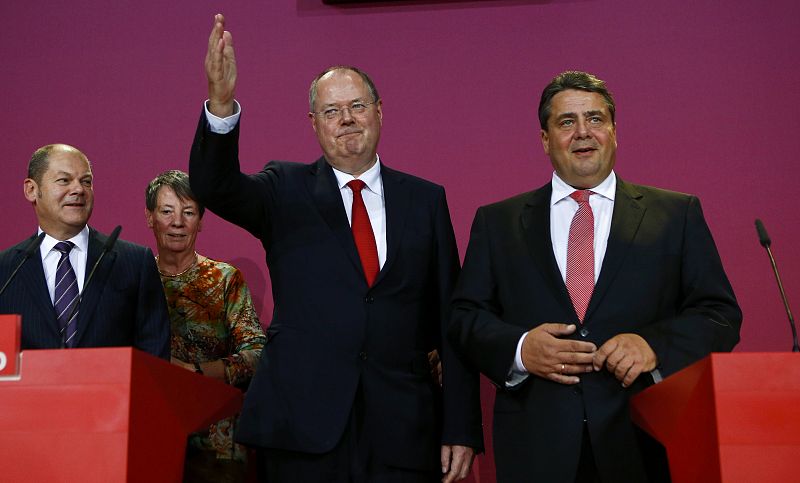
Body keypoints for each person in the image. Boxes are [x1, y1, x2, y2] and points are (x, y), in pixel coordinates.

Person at [188, 13, 482, 483]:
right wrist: (221, 106)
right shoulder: (283, 188)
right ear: (314, 124)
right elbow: (214, 185)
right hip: (303, 428)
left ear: (379, 111)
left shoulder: (425, 199)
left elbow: (452, 319)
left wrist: (461, 427)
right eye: (331, 111)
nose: (346, 119)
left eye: (357, 106)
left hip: (402, 431)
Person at [448, 71, 742, 483]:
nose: (583, 132)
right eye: (567, 122)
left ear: (615, 132)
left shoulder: (676, 215)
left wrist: (652, 345)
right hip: (537, 448)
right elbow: (464, 316)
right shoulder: (498, 222)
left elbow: (720, 315)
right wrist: (520, 348)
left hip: (645, 444)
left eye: (596, 119)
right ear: (545, 139)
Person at [145, 169, 267, 482]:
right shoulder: (136, 278)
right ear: (150, 217)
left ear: (201, 221)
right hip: (151, 434)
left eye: (188, 213)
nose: (177, 222)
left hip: (217, 444)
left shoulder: (225, 279)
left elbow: (256, 354)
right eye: (167, 211)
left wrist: (193, 374)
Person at [0, 144, 169, 358]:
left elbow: (154, 353)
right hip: (28, 391)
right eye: (64, 180)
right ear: (31, 190)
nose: (78, 190)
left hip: (112, 391)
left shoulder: (134, 262)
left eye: (86, 181)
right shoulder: (6, 270)